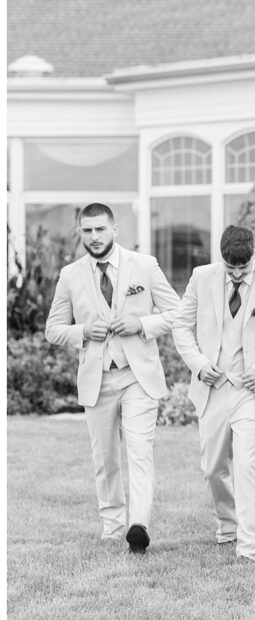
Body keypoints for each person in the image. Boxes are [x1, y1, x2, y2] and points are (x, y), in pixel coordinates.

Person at [44, 202, 180, 554]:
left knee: (139, 452)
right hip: (98, 378)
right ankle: (111, 527)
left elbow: (177, 314)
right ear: (80, 233)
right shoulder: (70, 275)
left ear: (114, 229)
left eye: (100, 229)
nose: (93, 236)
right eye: (87, 231)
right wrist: (84, 331)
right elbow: (53, 330)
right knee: (105, 459)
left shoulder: (144, 266)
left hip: (138, 375)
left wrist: (142, 324)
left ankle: (139, 525)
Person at [171, 225, 255, 561]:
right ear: (221, 257)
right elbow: (181, 326)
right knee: (213, 468)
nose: (238, 273)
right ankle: (228, 525)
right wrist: (199, 364)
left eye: (244, 267)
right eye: (231, 268)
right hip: (212, 387)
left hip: (250, 391)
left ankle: (249, 546)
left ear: (254, 254)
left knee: (247, 465)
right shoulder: (201, 277)